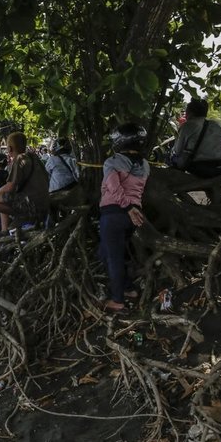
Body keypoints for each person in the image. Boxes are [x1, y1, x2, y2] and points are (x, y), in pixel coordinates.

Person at [99, 123, 150, 314]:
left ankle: (117, 301)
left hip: (114, 213)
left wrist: (127, 206)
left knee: (113, 258)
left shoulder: (112, 162)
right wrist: (131, 208)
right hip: (133, 215)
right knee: (104, 254)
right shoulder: (144, 164)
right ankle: (128, 289)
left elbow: (114, 187)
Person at [0, 132, 50, 231]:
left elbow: (10, 187)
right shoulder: (35, 158)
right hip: (44, 203)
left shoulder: (19, 159)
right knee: (3, 198)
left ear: (9, 148)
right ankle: (5, 230)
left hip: (32, 206)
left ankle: (24, 217)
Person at [171, 98, 221, 178]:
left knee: (173, 157)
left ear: (190, 112)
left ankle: (178, 182)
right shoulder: (219, 125)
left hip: (203, 168)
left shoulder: (187, 126)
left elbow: (177, 151)